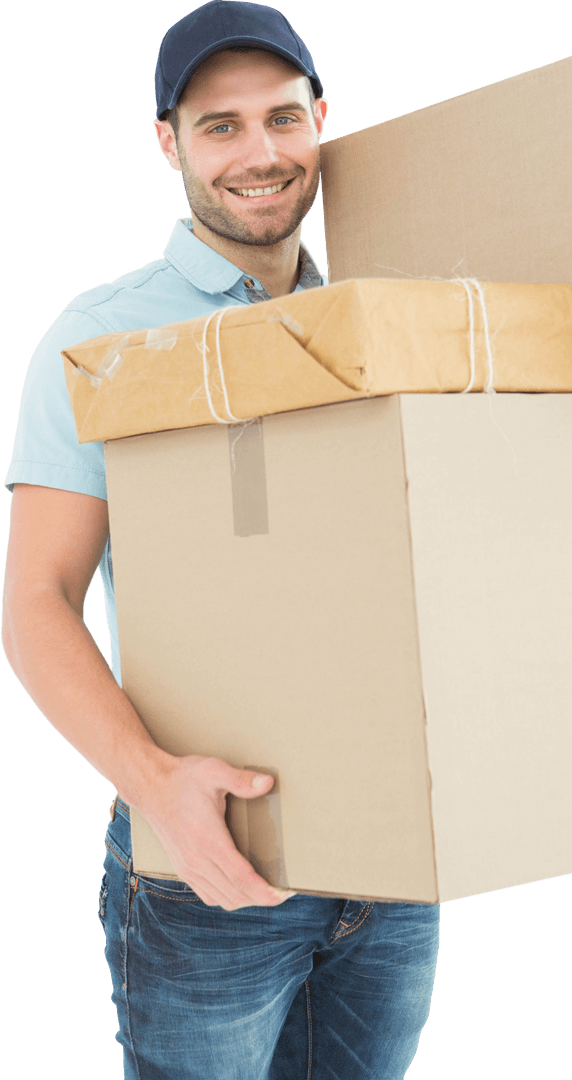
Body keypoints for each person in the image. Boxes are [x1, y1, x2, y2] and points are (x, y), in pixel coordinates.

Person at [1, 2, 440, 1078]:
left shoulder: (387, 325)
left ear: (321, 120)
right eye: (220, 126)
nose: (259, 154)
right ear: (169, 142)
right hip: (208, 861)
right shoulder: (102, 337)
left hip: (392, 863)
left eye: (281, 118)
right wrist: (155, 787)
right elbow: (35, 601)